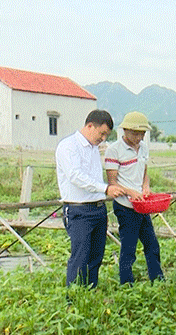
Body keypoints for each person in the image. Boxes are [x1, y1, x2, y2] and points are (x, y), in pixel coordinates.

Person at [55, 110, 140, 288]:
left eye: (106, 135)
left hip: (98, 209)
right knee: (80, 257)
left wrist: (105, 193)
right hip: (78, 209)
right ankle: (73, 300)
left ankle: (90, 294)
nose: (103, 138)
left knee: (96, 256)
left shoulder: (94, 148)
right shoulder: (68, 146)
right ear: (89, 126)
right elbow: (75, 176)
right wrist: (106, 188)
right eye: (101, 133)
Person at [104, 111, 165, 284]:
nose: (139, 137)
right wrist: (131, 192)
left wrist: (145, 186)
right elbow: (112, 184)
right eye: (135, 133)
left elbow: (144, 171)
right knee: (129, 248)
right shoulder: (114, 150)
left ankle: (158, 280)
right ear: (125, 130)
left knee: (152, 245)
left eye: (142, 134)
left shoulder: (144, 148)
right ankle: (127, 285)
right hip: (125, 206)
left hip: (142, 205)